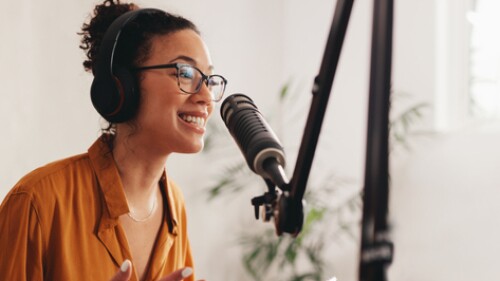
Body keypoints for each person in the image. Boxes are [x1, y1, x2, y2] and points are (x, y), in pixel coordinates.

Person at [0, 0, 227, 280]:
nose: (206, 97)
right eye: (185, 73)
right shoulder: (38, 202)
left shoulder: (174, 205)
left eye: (209, 79)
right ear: (122, 87)